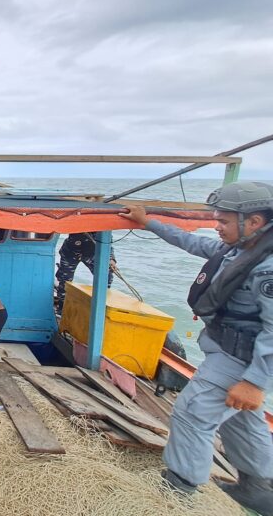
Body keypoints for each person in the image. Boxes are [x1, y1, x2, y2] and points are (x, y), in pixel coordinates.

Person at [122, 181, 273, 514]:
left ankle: (178, 491)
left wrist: (255, 383)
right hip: (226, 350)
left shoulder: (267, 268)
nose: (217, 227)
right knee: (243, 420)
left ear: (254, 222)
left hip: (241, 358)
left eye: (224, 221)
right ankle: (259, 490)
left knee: (192, 415)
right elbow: (193, 242)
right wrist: (148, 222)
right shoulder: (243, 250)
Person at [54, 232, 116, 315]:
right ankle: (62, 308)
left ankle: (101, 311)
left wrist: (111, 258)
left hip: (92, 252)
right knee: (64, 279)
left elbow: (107, 241)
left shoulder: (103, 223)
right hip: (72, 250)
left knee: (106, 277)